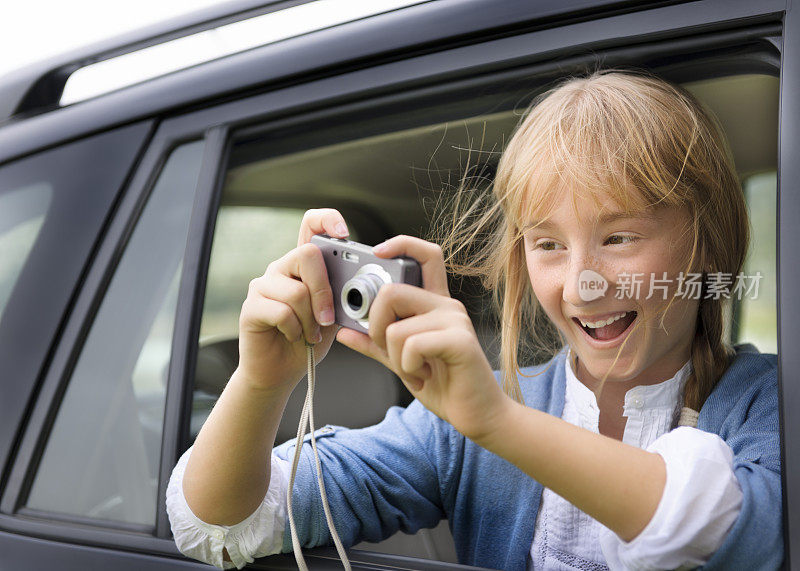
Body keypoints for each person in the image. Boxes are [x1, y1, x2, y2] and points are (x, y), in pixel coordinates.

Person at [165, 69, 782, 570]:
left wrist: (499, 423)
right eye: (547, 245)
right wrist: (262, 382)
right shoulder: (466, 421)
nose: (581, 284)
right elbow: (224, 527)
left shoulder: (773, 401)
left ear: (707, 242)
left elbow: (741, 532)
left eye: (619, 237)